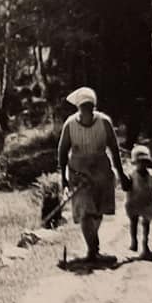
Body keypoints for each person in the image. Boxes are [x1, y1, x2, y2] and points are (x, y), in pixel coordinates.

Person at [57, 86, 131, 262]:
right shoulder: (70, 124)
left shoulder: (104, 122)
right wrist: (64, 179)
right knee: (84, 211)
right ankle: (93, 249)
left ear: (94, 106)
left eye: (89, 106)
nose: (86, 109)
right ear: (78, 108)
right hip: (78, 172)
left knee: (98, 212)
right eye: (83, 106)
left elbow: (114, 148)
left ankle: (93, 246)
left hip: (101, 172)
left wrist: (121, 174)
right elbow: (62, 152)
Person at [125, 145, 152, 261]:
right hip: (133, 203)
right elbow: (126, 187)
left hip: (147, 203)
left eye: (144, 162)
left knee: (146, 224)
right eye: (139, 162)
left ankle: (145, 243)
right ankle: (134, 241)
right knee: (133, 222)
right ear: (135, 163)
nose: (142, 165)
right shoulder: (131, 175)